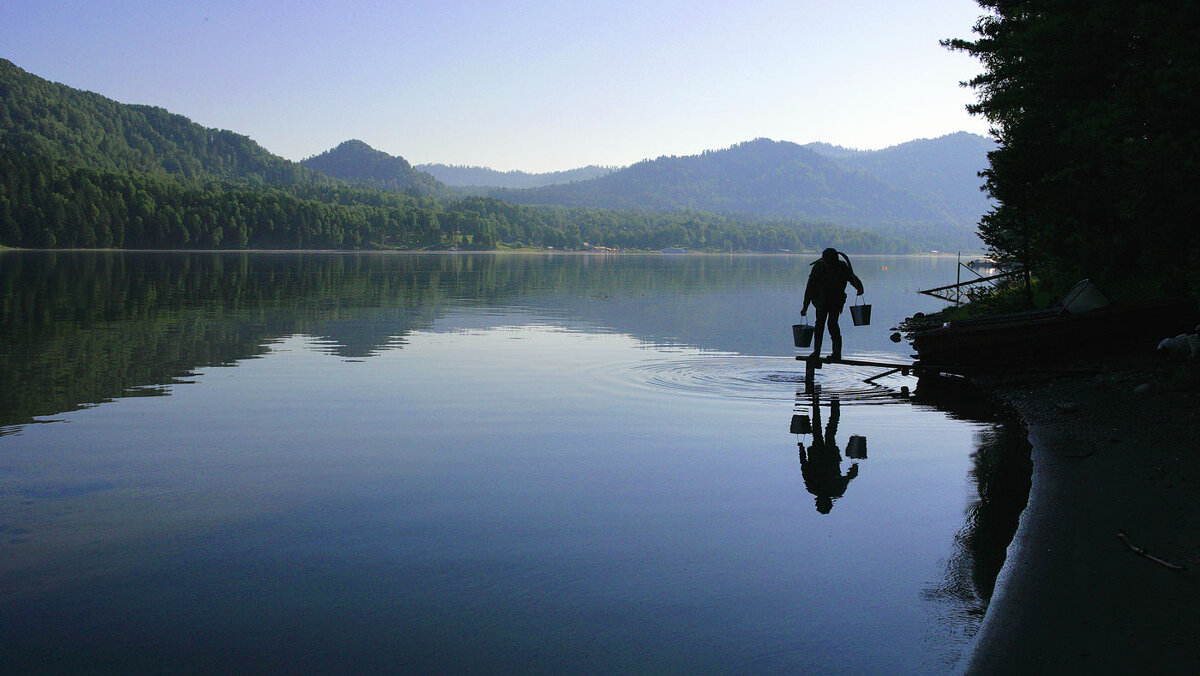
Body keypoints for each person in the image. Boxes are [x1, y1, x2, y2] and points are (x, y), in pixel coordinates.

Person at [801, 248, 864, 361]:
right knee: (819, 325)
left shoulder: (842, 267)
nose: (830, 264)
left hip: (836, 301)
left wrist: (859, 287)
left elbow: (852, 278)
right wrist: (805, 306)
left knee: (832, 324)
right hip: (821, 301)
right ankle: (816, 352)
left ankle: (836, 353)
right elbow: (810, 287)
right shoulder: (819, 267)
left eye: (831, 261)